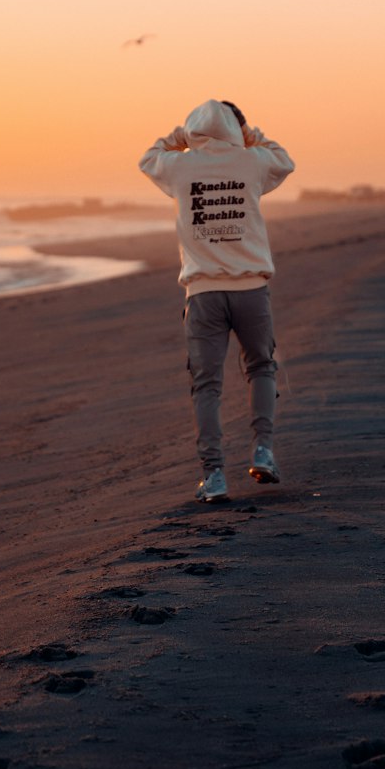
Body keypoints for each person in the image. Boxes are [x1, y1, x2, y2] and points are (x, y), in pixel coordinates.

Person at [139, 99, 295, 503]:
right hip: (251, 291)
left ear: (194, 129)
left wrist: (180, 138)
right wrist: (249, 136)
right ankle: (263, 452)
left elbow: (149, 158)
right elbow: (284, 160)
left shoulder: (181, 167)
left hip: (203, 294)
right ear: (234, 129)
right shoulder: (252, 162)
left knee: (207, 385)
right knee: (261, 368)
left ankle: (214, 476)